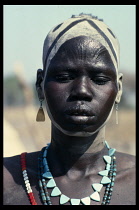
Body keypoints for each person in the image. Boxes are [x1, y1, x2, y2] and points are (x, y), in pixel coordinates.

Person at [4, 14, 135, 205]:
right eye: (65, 76)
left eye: (99, 80)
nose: (81, 91)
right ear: (40, 85)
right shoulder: (8, 180)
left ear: (119, 89)